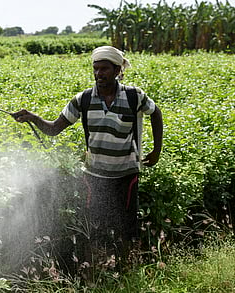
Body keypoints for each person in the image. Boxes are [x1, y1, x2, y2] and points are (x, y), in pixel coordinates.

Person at [12, 46, 163, 273]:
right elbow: (54, 129)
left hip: (126, 175)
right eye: (96, 69)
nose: (99, 74)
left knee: (127, 227)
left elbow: (156, 113)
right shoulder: (82, 99)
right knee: (94, 227)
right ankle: (95, 271)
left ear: (117, 70)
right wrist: (33, 118)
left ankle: (126, 271)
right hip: (94, 176)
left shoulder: (134, 96)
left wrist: (156, 150)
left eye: (104, 69)